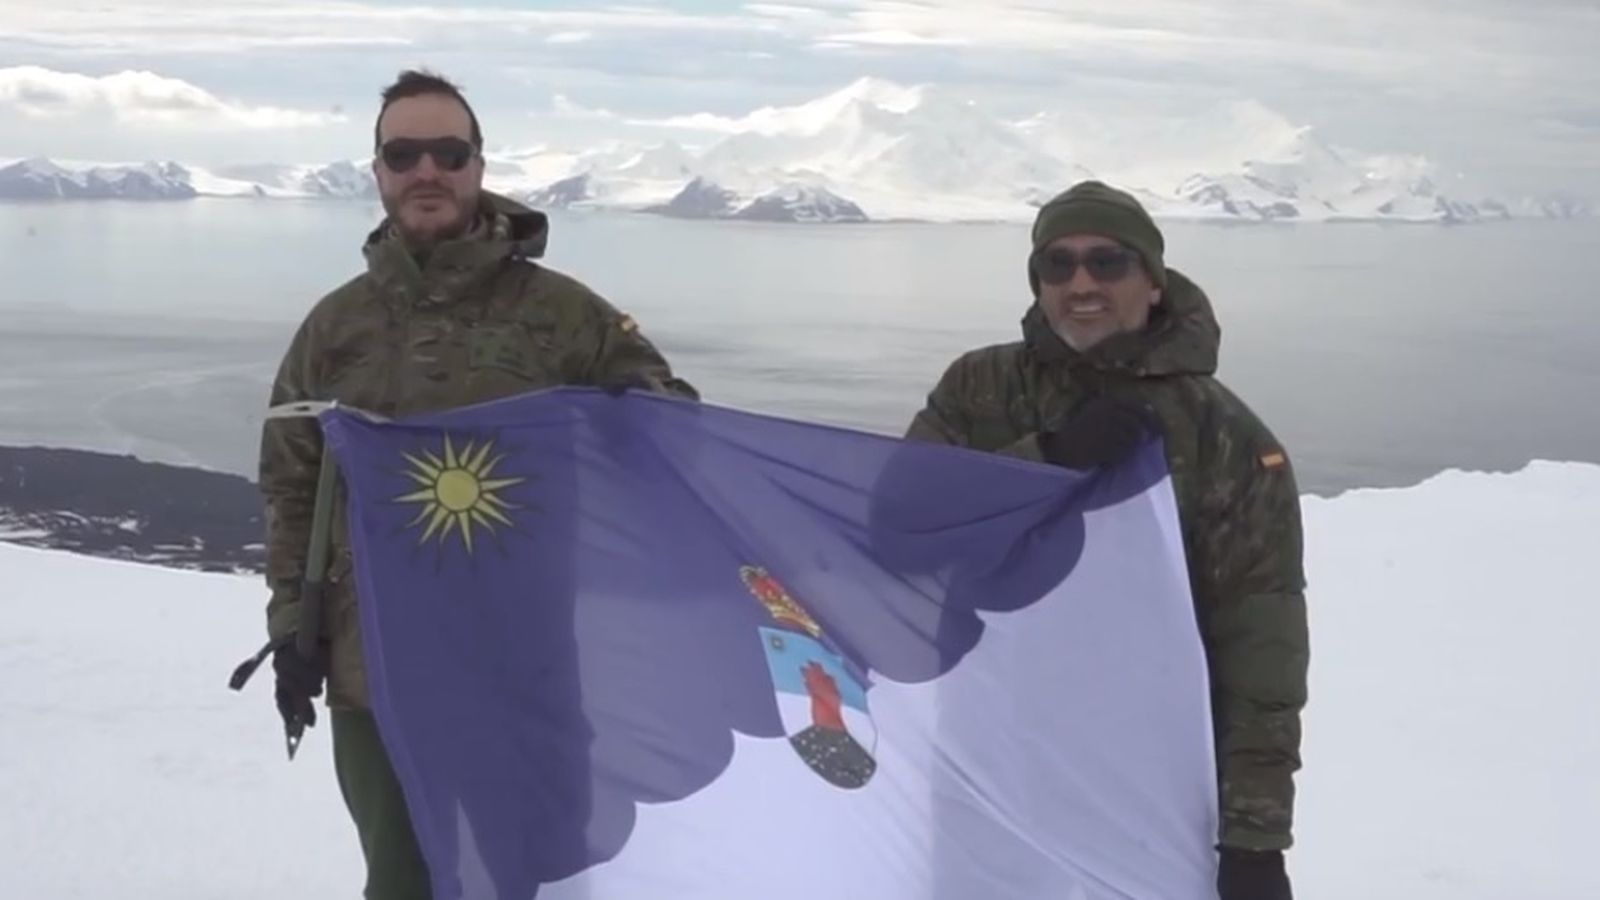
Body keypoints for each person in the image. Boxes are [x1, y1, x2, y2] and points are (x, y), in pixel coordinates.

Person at [257, 68, 697, 899]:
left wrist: (624, 415)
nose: (426, 170)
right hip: (374, 672)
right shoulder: (334, 327)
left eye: (448, 153)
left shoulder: (562, 316)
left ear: (479, 166)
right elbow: (290, 484)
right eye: (404, 154)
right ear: (378, 171)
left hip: (522, 668)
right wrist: (291, 623)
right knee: (402, 882)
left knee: (537, 876)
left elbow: (672, 433)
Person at [903, 180, 1309, 900]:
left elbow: (1260, 652)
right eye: (1057, 265)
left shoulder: (1224, 437)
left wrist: (1255, 840)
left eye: (1107, 262)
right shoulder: (979, 390)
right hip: (990, 759)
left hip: (1146, 779)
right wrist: (1048, 461)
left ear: (1153, 282)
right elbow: (903, 529)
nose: (1081, 284)